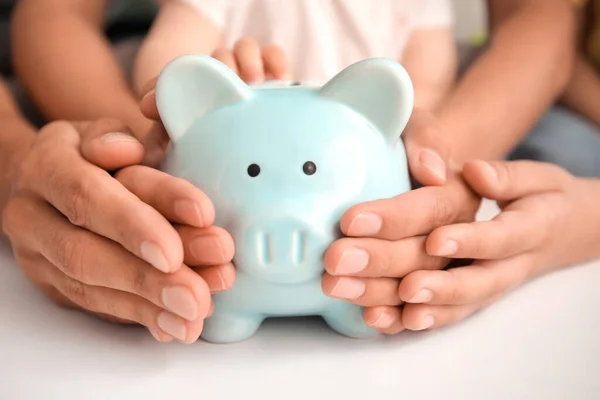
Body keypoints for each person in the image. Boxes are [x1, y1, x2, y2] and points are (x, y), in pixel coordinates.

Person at [8, 0, 581, 338]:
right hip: (233, 111)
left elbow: (423, 82)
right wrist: (177, 121)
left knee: (568, 148)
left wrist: (415, 160)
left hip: (356, 129)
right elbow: (167, 56)